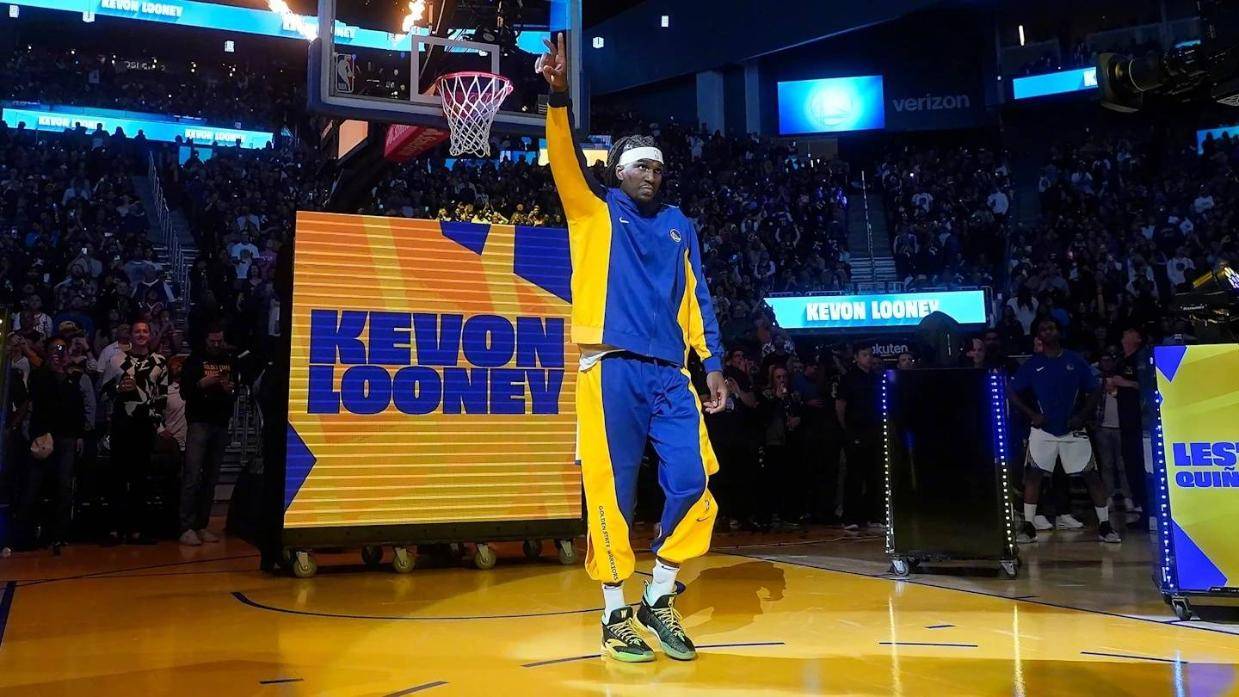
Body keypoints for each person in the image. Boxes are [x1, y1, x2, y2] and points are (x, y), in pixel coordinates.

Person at [541, 33, 729, 664]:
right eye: (642, 166)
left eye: (658, 167)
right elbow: (563, 159)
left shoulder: (680, 225)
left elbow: (697, 296)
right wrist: (558, 97)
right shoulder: (593, 212)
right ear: (617, 171)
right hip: (610, 368)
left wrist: (713, 362)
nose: (653, 174)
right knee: (612, 494)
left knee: (694, 481)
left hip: (671, 373)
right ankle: (614, 613)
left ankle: (659, 593)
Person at [1009, 318, 1120, 544]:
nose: (1047, 332)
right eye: (1043, 330)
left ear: (1059, 332)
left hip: (1072, 429)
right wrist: (1032, 415)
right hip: (1043, 430)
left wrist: (1082, 416)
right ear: (1038, 336)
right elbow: (1011, 391)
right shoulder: (1032, 364)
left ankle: (1105, 525)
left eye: (1051, 328)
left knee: (1091, 475)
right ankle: (1029, 526)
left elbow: (1096, 388)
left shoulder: (1075, 360)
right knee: (1034, 475)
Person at [101, 321, 168, 545]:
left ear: (150, 335)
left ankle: (137, 530)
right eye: (137, 331)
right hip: (122, 423)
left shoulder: (160, 361)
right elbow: (103, 391)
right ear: (130, 335)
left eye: (145, 331)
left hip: (145, 425)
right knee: (117, 477)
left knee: (141, 478)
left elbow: (161, 397)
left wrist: (158, 425)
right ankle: (114, 529)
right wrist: (118, 389)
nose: (141, 334)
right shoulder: (116, 359)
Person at [22, 338, 86, 553]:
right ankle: (27, 535)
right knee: (34, 485)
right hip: (43, 436)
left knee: (64, 487)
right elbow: (40, 398)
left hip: (67, 437)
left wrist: (79, 434)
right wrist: (50, 367)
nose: (58, 353)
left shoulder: (72, 376)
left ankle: (59, 535)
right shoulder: (40, 375)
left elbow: (77, 406)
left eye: (62, 349)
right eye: (54, 349)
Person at [177, 327, 236, 546]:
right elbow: (185, 391)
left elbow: (235, 389)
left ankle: (201, 524)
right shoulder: (194, 361)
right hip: (199, 422)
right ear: (206, 340)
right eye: (213, 340)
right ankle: (185, 526)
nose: (217, 344)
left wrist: (229, 389)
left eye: (220, 340)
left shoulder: (228, 360)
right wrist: (203, 383)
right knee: (192, 475)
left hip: (220, 422)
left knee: (211, 478)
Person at [836, 343, 884, 532]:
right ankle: (850, 517)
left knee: (873, 475)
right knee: (855, 475)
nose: (869, 358)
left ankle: (871, 516)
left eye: (870, 354)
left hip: (874, 431)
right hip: (855, 431)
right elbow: (840, 405)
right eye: (865, 354)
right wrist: (847, 429)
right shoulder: (849, 379)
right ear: (856, 357)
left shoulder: (875, 378)